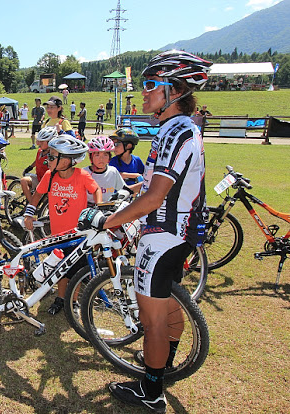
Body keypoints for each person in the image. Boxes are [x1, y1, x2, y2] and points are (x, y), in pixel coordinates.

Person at [79, 50, 211, 412]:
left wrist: (107, 220)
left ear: (176, 90)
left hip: (164, 234)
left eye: (151, 84)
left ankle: (151, 391)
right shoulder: (184, 128)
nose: (144, 92)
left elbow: (155, 196)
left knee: (151, 320)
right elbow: (159, 185)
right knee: (166, 304)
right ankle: (162, 365)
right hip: (176, 233)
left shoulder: (176, 130)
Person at [23, 136, 101, 315]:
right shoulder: (50, 176)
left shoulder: (82, 176)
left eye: (52, 157)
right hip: (57, 234)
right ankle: (60, 298)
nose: (47, 160)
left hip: (78, 234)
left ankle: (73, 301)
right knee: (59, 269)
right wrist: (29, 213)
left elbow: (95, 189)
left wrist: (98, 208)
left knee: (75, 270)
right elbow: (37, 195)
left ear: (66, 160)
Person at [83, 136, 126, 205]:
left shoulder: (113, 172)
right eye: (97, 155)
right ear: (90, 157)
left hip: (108, 209)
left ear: (109, 157)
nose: (101, 159)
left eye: (105, 155)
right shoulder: (84, 172)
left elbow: (123, 189)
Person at [20, 126, 58, 203]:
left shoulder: (54, 155)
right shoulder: (40, 151)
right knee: (23, 180)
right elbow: (37, 160)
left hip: (48, 182)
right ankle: (32, 204)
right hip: (39, 179)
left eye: (42, 142)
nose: (38, 143)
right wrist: (30, 167)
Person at [109, 127, 145, 193]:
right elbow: (117, 175)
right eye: (113, 144)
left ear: (128, 146)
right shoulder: (113, 161)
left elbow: (145, 177)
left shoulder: (137, 161)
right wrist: (136, 175)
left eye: (116, 144)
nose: (114, 147)